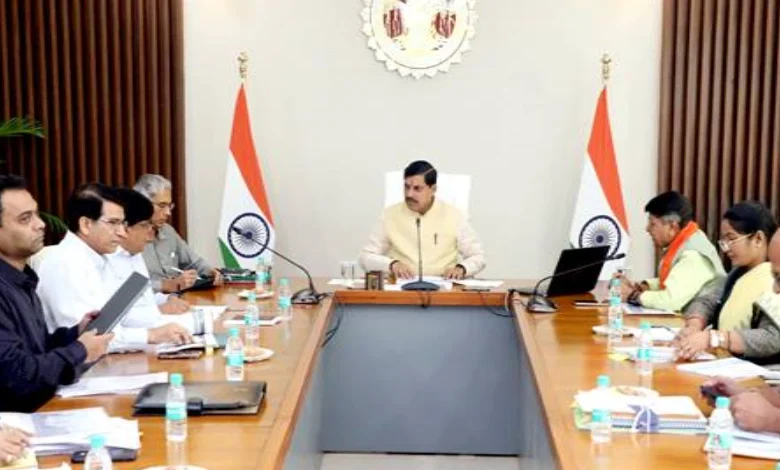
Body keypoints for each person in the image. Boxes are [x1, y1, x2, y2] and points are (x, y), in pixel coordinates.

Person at [0, 175, 113, 412]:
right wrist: (80, 350)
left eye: (36, 214)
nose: (41, 224)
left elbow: (36, 348)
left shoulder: (23, 280)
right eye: (25, 219)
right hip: (16, 424)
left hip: (41, 409)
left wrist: (74, 334)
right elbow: (17, 376)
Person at [36, 183, 191, 352]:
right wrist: (151, 335)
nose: (122, 233)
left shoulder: (96, 259)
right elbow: (91, 338)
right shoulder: (66, 264)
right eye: (113, 223)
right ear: (86, 224)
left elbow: (117, 322)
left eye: (122, 224)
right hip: (80, 365)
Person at [676, 202, 779, 361]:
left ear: (758, 239)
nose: (726, 248)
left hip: (760, 369)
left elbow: (773, 338)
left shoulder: (771, 277)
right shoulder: (738, 273)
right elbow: (707, 301)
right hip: (728, 362)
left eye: (731, 239)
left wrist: (715, 338)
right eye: (723, 241)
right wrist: (694, 324)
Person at [359, 160, 485, 280]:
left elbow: (478, 257)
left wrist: (461, 268)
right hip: (402, 288)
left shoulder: (454, 215)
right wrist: (392, 264)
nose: (409, 194)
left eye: (417, 188)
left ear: (433, 189)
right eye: (406, 187)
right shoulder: (390, 215)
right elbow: (366, 257)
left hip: (443, 287)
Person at [104, 188, 203, 341]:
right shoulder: (108, 259)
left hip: (148, 335)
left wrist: (167, 299)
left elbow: (144, 298)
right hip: (132, 342)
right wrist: (160, 309)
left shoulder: (134, 254)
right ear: (125, 228)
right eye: (145, 225)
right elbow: (119, 319)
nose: (151, 235)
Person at [620, 191, 725, 311]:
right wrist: (643, 286)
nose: (647, 229)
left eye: (653, 224)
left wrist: (632, 295)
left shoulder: (693, 256)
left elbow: (670, 301)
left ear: (672, 226)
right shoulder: (686, 240)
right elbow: (678, 282)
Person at [133, 174, 223, 293]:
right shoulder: (128, 237)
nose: (168, 212)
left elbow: (193, 262)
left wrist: (210, 272)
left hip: (178, 298)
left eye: (169, 206)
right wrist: (165, 285)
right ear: (142, 203)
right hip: (150, 301)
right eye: (162, 205)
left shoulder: (168, 231)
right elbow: (126, 287)